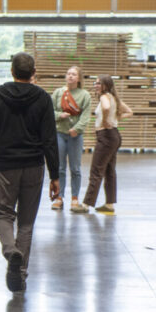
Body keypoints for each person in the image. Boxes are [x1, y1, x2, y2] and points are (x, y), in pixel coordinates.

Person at [0, 52, 60, 293]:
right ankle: (20, 274)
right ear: (33, 73)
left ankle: (10, 250)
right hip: (34, 166)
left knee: (3, 215)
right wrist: (55, 175)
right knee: (26, 223)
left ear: (12, 71)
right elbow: (49, 140)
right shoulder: (43, 98)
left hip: (6, 166)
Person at [81, 75, 132, 215]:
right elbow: (129, 112)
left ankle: (86, 204)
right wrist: (117, 117)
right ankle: (109, 204)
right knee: (109, 171)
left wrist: (104, 120)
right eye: (95, 83)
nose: (96, 85)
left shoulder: (104, 97)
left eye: (99, 83)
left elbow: (106, 107)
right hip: (114, 136)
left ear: (106, 85)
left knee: (96, 171)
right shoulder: (114, 97)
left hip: (106, 136)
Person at [52, 66, 93, 213]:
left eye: (73, 74)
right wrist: (59, 116)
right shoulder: (58, 93)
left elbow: (86, 116)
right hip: (59, 134)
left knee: (75, 168)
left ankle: (75, 197)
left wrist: (77, 129)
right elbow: (49, 111)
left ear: (79, 78)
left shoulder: (85, 95)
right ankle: (59, 197)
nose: (70, 76)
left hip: (75, 136)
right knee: (60, 168)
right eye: (68, 73)